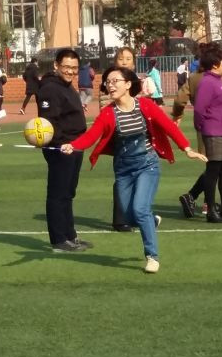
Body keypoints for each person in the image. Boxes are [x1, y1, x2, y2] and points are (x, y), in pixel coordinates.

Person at [64, 66, 207, 272]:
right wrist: (73, 145)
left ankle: (152, 256)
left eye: (115, 81)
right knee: (129, 216)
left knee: (140, 209)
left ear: (128, 84)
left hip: (147, 164)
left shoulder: (145, 106)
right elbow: (91, 136)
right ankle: (151, 220)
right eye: (108, 82)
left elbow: (168, 126)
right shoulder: (108, 113)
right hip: (123, 169)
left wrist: (187, 149)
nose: (110, 85)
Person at [175, 44, 222, 218]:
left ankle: (215, 204)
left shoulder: (196, 77)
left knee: (221, 170)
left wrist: (177, 114)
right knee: (214, 170)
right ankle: (209, 207)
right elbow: (205, 107)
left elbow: (180, 100)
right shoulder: (212, 79)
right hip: (212, 129)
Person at [37, 49, 91, 253]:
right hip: (61, 148)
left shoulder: (67, 86)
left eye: (74, 68)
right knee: (58, 193)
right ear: (56, 65)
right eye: (66, 67)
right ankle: (59, 239)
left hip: (74, 145)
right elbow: (49, 121)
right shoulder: (50, 88)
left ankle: (70, 235)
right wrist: (61, 145)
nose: (70, 71)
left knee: (68, 193)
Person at [98, 46, 138, 232]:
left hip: (139, 136)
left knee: (141, 177)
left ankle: (136, 214)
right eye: (121, 58)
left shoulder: (138, 82)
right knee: (123, 177)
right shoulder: (109, 83)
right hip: (120, 136)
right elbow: (103, 105)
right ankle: (120, 219)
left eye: (128, 59)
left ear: (134, 63)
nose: (125, 62)